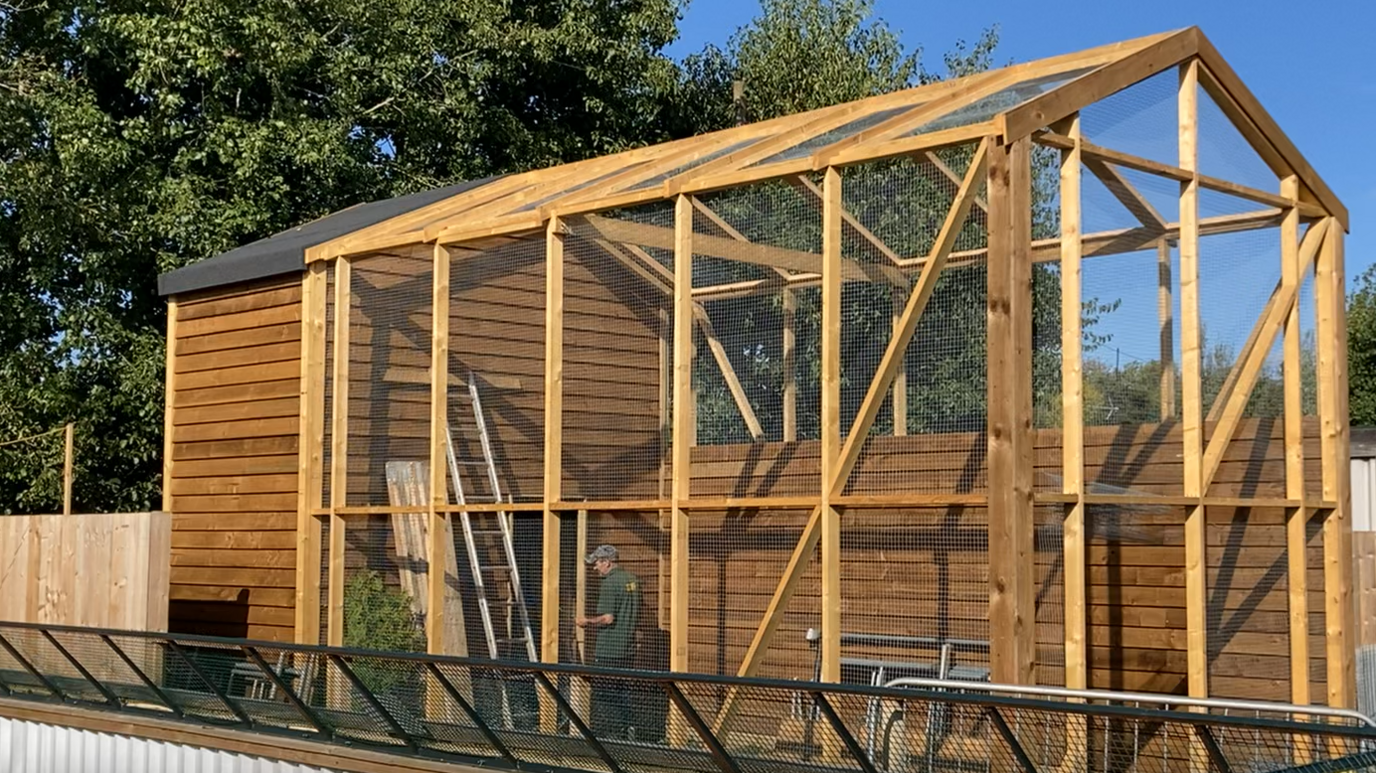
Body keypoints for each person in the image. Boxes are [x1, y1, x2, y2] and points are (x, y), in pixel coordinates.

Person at [575, 544, 640, 740]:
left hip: (609, 649)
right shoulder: (631, 580)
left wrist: (586, 621)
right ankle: (627, 731)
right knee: (622, 691)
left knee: (604, 693)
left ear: (607, 562)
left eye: (596, 563)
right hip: (627, 648)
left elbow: (608, 618)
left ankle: (607, 737)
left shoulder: (610, 583)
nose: (595, 568)